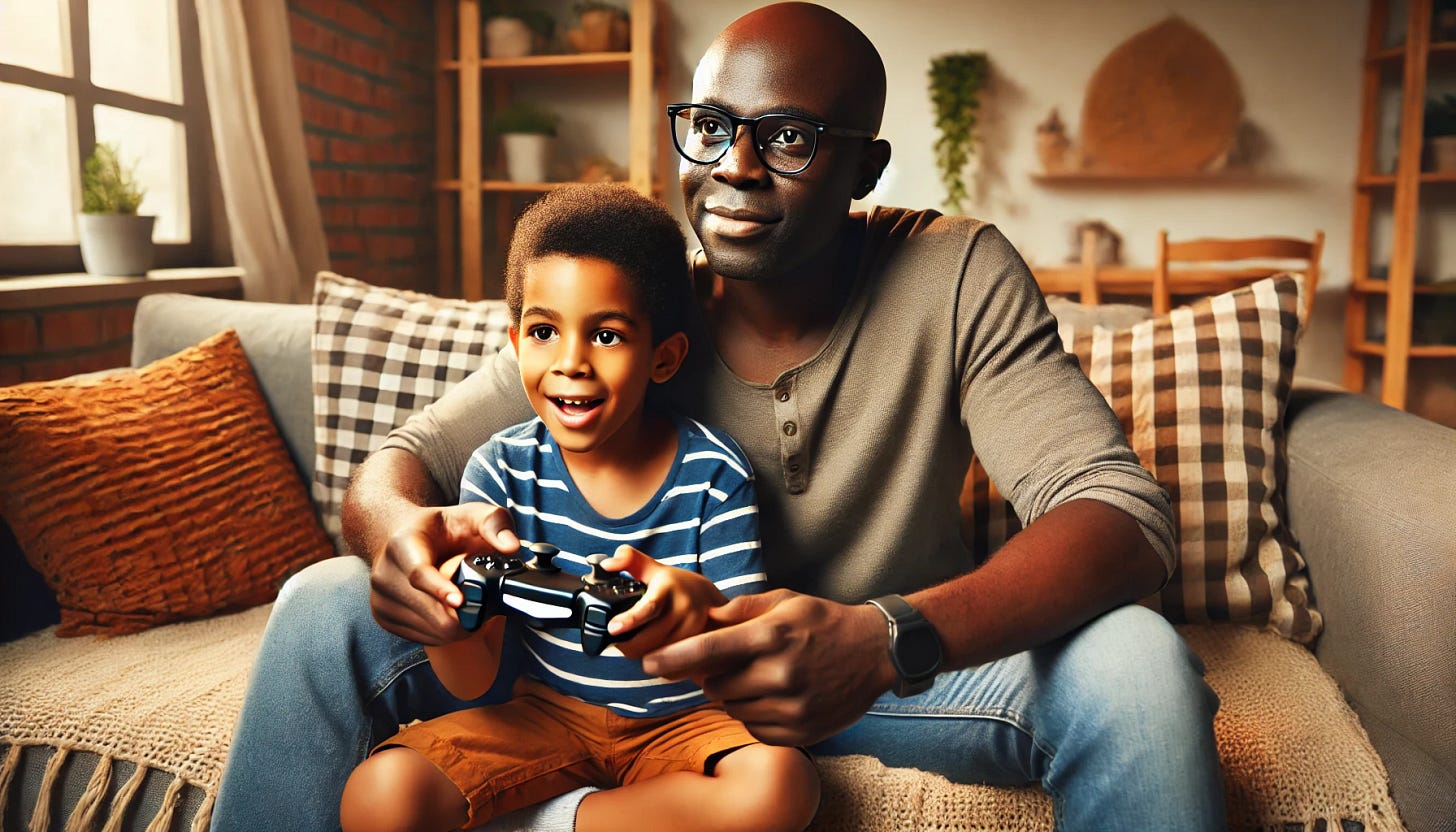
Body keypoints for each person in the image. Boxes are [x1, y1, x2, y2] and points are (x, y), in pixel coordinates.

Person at [213, 4, 1226, 831]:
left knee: (1134, 660)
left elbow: (1120, 516)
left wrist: (884, 638)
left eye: (789, 138)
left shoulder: (953, 272)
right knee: (323, 598)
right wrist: (403, 544)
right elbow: (399, 463)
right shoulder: (640, 314)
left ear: (864, 170)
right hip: (641, 693)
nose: (735, 166)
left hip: (893, 677)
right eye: (710, 126)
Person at [336, 185, 818, 832]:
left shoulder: (713, 473)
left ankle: (560, 823)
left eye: (608, 335)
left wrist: (692, 610)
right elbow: (473, 684)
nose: (570, 363)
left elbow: (740, 650)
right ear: (516, 344)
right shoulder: (498, 471)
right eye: (543, 332)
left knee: (782, 786)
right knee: (379, 794)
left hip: (688, 722)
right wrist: (450, 621)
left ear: (664, 357)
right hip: (545, 714)